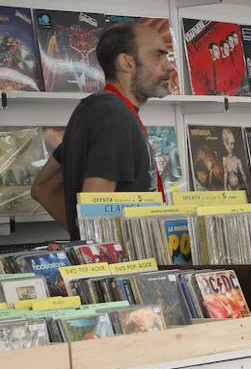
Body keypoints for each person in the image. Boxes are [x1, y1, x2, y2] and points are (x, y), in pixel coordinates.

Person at [31, 22, 174, 238]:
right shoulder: (114, 115)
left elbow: (43, 187)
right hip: (122, 270)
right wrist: (110, 252)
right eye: (158, 56)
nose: (168, 66)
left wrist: (81, 238)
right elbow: (96, 208)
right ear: (126, 62)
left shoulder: (92, 108)